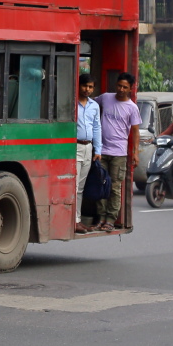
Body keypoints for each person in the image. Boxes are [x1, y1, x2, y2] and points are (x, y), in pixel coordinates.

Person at [95, 72, 141, 232]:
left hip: (119, 153)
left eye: (125, 87)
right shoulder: (105, 98)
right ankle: (100, 217)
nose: (121, 89)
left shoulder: (132, 108)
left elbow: (135, 132)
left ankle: (110, 218)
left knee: (114, 187)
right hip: (101, 150)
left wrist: (135, 153)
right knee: (100, 184)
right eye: (119, 86)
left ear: (130, 89)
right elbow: (91, 105)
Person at [74, 74, 102, 233]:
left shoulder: (94, 105)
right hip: (75, 147)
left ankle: (77, 219)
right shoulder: (73, 103)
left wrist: (98, 149)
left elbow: (97, 127)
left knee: (80, 188)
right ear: (79, 86)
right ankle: (73, 220)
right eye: (85, 86)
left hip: (88, 148)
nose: (87, 89)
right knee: (74, 185)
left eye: (91, 87)